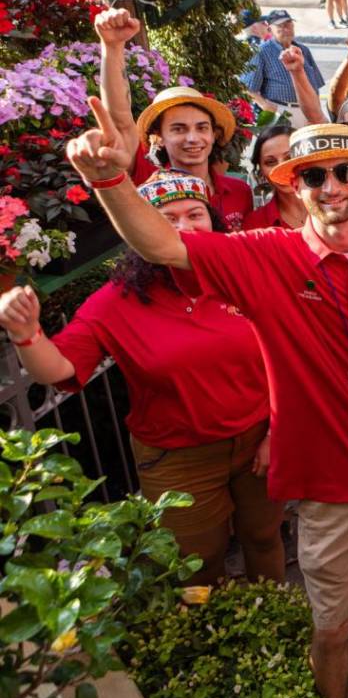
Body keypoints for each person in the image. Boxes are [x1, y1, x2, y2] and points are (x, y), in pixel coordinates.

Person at [67, 110, 348, 698]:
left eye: (345, 171)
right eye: (314, 175)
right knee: (332, 628)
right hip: (329, 487)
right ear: (293, 186)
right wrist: (112, 181)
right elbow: (161, 244)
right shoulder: (264, 255)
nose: (332, 186)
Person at [0, 170, 283, 588]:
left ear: (215, 220)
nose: (184, 228)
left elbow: (285, 355)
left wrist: (278, 432)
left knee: (263, 537)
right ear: (137, 231)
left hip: (259, 439)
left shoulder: (241, 275)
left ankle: (272, 622)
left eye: (195, 214)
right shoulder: (116, 302)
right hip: (178, 457)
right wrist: (26, 334)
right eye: (166, 218)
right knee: (195, 563)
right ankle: (208, 643)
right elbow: (58, 368)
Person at [94, 9, 255, 233]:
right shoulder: (146, 179)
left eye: (202, 128)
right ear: (157, 137)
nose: (192, 138)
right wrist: (112, 48)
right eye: (178, 129)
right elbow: (120, 120)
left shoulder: (240, 191)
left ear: (214, 134)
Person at [239, 9, 325, 126]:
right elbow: (247, 87)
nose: (286, 29)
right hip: (279, 111)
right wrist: (265, 105)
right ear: (270, 29)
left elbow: (316, 86)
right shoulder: (261, 51)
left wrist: (317, 111)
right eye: (280, 25)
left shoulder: (303, 50)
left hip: (307, 112)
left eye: (289, 24)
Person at [245, 125, 306, 230]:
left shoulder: (333, 203)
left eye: (290, 158)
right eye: (270, 162)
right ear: (261, 171)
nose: (281, 168)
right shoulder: (255, 224)